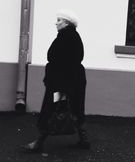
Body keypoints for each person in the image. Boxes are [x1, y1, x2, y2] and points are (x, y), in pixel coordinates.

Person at [24, 9, 90, 152]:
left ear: (66, 23)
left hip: (62, 83)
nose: (56, 22)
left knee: (52, 110)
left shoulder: (67, 37)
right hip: (70, 81)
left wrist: (58, 85)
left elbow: (65, 62)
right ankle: (84, 140)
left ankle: (39, 142)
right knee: (74, 110)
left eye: (59, 20)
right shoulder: (71, 36)